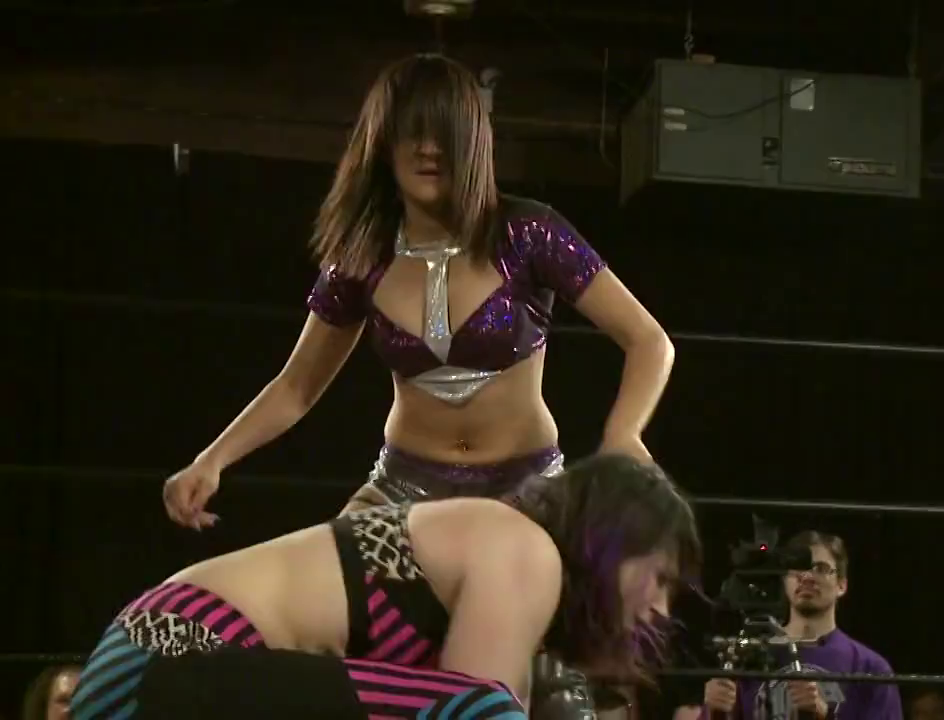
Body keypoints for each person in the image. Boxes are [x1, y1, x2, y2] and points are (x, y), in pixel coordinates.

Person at [163, 53, 675, 527]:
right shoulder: (361, 255)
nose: (429, 148)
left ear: (471, 141)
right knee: (328, 577)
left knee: (523, 590)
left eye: (445, 133)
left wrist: (623, 434)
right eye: (412, 131)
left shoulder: (529, 234)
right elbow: (296, 388)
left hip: (525, 490)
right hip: (401, 487)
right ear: (384, 142)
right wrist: (211, 460)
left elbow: (650, 341)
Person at [73, 454, 701, 719]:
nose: (660, 608)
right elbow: (475, 709)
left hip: (141, 673)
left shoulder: (501, 561)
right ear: (614, 539)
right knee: (485, 712)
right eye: (661, 578)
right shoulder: (524, 548)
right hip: (168, 658)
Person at [700, 531, 902, 720]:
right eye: (798, 568)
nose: (807, 577)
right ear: (785, 581)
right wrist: (713, 712)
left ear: (842, 585)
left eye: (820, 569)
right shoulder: (748, 657)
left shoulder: (871, 668)